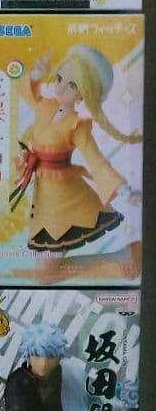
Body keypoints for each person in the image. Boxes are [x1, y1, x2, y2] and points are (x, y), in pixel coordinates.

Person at [11, 45, 141, 279]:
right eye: (60, 78)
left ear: (83, 94)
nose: (61, 88)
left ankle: (118, 263)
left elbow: (96, 160)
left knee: (44, 274)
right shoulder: (46, 107)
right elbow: (25, 91)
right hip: (44, 199)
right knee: (44, 273)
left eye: (72, 85)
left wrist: (124, 189)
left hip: (65, 202)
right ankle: (119, 260)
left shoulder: (77, 125)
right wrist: (36, 75)